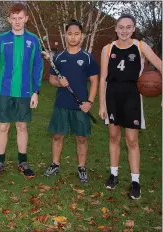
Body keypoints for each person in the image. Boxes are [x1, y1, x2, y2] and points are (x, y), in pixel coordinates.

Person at [0, 3, 43, 178]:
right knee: (3, 126)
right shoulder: (1, 40)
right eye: (14, 18)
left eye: (20, 18)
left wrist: (36, 91)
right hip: (4, 91)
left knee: (22, 126)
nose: (17, 21)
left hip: (25, 92)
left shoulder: (33, 40)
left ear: (26, 18)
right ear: (9, 19)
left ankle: (23, 162)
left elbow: (38, 67)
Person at [99, 14, 162, 199]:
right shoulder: (107, 48)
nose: (124, 30)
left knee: (132, 140)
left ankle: (135, 181)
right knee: (113, 136)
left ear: (133, 29)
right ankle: (114, 175)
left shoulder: (141, 46)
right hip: (112, 96)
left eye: (128, 27)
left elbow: (160, 65)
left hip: (132, 97)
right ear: (116, 29)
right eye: (121, 27)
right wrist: (102, 104)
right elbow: (103, 78)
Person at [42, 20, 99, 184]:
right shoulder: (58, 57)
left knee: (81, 138)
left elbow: (95, 81)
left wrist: (90, 102)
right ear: (65, 35)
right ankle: (55, 164)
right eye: (70, 34)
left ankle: (81, 167)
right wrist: (60, 83)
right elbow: (52, 79)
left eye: (76, 34)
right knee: (58, 135)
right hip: (61, 104)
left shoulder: (87, 58)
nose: (73, 37)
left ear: (82, 35)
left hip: (81, 106)